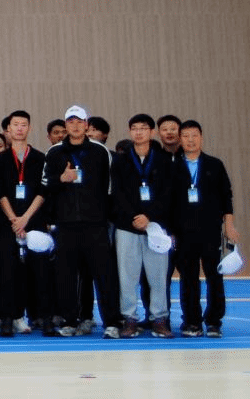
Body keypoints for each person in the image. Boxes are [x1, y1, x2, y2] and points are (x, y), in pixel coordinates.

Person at [43, 105, 121, 339]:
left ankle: (112, 323)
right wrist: (61, 178)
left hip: (95, 224)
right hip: (65, 225)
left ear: (87, 125)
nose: (75, 126)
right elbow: (45, 185)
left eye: (80, 121)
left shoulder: (100, 151)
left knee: (104, 275)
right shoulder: (54, 153)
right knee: (65, 276)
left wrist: (105, 217)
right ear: (65, 125)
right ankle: (69, 321)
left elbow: (111, 188)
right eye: (71, 121)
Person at [172, 120, 238, 338]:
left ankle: (213, 321)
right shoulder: (173, 166)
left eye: (194, 135)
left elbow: (226, 196)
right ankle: (192, 321)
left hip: (210, 230)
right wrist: (170, 231)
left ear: (201, 137)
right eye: (186, 136)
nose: (190, 140)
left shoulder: (214, 164)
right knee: (188, 277)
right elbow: (168, 201)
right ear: (180, 139)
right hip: (183, 232)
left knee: (214, 276)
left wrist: (229, 225)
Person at [112, 113, 174, 338]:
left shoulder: (164, 160)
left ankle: (159, 319)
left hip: (155, 227)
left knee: (158, 276)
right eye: (134, 128)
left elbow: (168, 194)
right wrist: (134, 216)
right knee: (127, 276)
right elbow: (117, 193)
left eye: (143, 128)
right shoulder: (120, 161)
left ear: (152, 132)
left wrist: (149, 216)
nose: (138, 132)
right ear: (130, 132)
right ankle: (129, 319)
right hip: (127, 226)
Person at [0, 110, 54, 337]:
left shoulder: (40, 158)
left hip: (34, 220)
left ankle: (46, 319)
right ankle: (8, 319)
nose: (19, 128)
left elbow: (43, 191)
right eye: (15, 124)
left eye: (23, 124)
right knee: (7, 272)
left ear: (29, 128)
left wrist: (26, 218)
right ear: (8, 129)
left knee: (41, 272)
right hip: (7, 223)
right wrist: (14, 219)